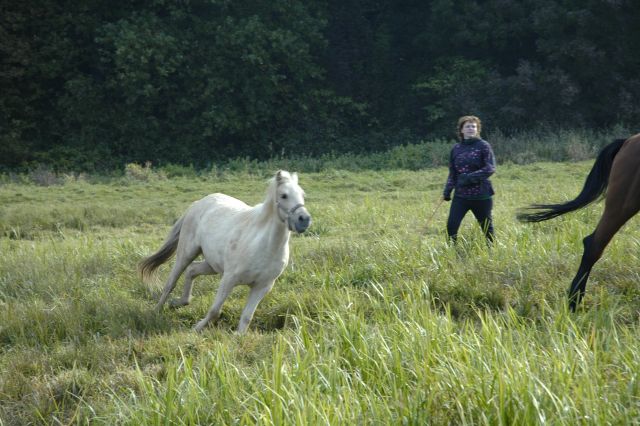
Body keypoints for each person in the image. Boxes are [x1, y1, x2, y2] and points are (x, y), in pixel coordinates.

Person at [442, 115, 496, 244]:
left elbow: (490, 168)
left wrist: (469, 177)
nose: (471, 128)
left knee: (487, 228)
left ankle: (492, 250)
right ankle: (452, 252)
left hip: (481, 196)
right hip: (461, 196)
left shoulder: (484, 146)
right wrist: (447, 190)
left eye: (474, 126)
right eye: (468, 126)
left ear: (477, 129)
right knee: (451, 226)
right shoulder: (456, 149)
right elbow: (453, 172)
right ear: (461, 130)